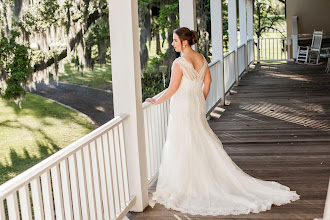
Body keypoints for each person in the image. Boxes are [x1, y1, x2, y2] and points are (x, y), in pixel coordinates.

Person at [145, 27, 299, 216]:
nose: (173, 43)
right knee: (197, 137)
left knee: (183, 141)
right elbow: (207, 82)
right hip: (196, 103)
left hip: (183, 107)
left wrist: (155, 100)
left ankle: (188, 184)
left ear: (184, 42)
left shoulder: (179, 62)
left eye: (175, 40)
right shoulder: (201, 58)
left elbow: (172, 89)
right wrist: (201, 99)